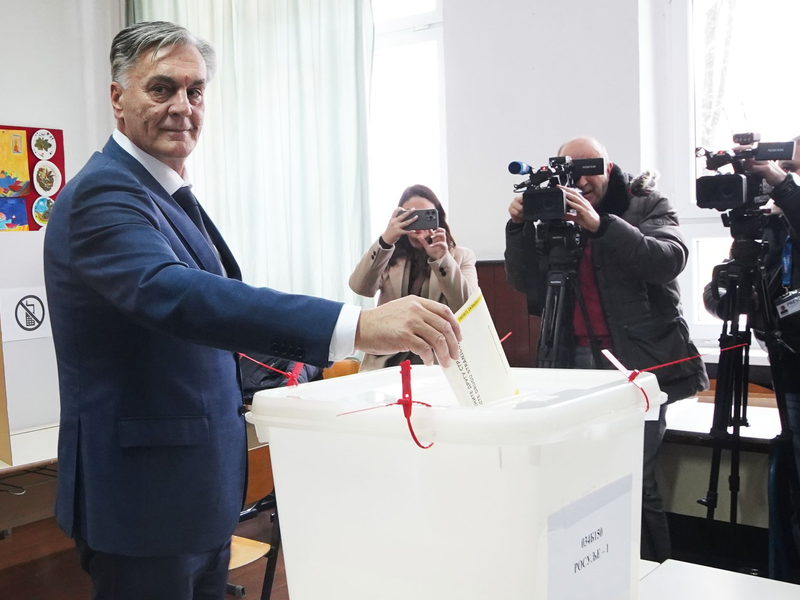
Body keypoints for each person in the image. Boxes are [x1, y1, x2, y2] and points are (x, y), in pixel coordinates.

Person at [43, 21, 460, 599]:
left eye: (195, 91)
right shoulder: (103, 193)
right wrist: (356, 325)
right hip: (142, 505)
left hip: (198, 495)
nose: (182, 107)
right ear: (117, 97)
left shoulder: (166, 195)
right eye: (160, 88)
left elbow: (213, 325)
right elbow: (176, 295)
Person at [504, 136, 709, 562]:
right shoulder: (552, 213)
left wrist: (602, 224)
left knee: (635, 477)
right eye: (571, 168)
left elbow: (668, 259)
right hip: (571, 363)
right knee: (578, 479)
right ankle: (592, 572)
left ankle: (652, 575)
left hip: (637, 364)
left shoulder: (645, 204)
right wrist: (520, 229)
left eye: (590, 166)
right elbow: (527, 284)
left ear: (610, 167)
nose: (582, 178)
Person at [703, 137, 800, 552]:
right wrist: (725, 291)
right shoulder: (773, 223)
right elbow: (730, 300)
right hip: (788, 365)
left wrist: (782, 185)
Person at [349, 184, 478, 371]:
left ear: (438, 218)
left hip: (436, 360)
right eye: (411, 216)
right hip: (386, 360)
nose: (418, 222)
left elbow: (468, 306)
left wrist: (441, 259)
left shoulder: (460, 257)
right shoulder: (388, 255)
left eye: (426, 216)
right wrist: (386, 240)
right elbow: (359, 287)